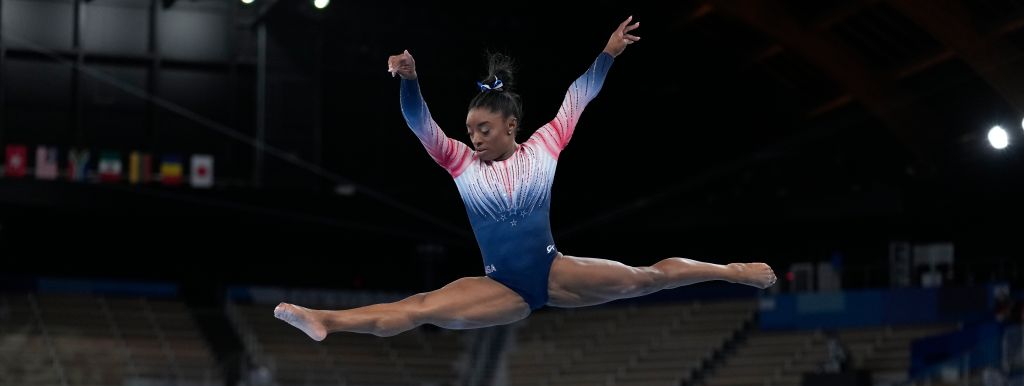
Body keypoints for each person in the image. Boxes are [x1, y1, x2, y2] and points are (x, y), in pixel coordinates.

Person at [274, 17, 775, 341]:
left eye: (483, 129)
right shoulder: (459, 163)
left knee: (647, 279)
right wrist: (410, 80)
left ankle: (732, 271)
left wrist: (608, 55)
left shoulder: (544, 146)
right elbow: (418, 122)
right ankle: (326, 320)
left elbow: (580, 95)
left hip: (554, 271)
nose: (473, 139)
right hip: (501, 288)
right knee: (419, 307)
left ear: (511, 126)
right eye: (470, 130)